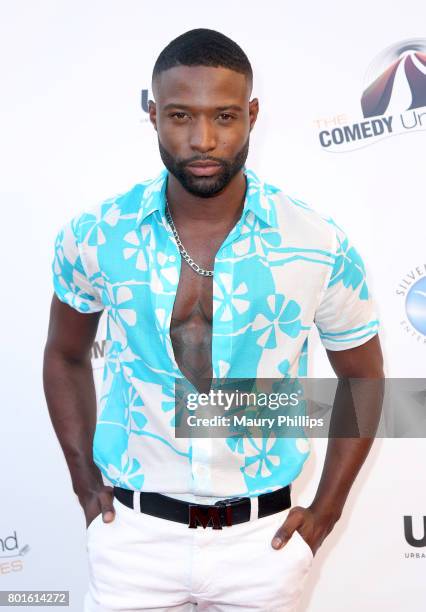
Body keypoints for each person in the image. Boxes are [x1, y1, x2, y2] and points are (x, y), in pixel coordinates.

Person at [43, 28, 384, 612]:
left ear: (252, 114)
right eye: (180, 115)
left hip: (264, 543)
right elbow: (64, 354)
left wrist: (326, 512)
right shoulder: (97, 235)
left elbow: (366, 378)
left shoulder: (317, 242)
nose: (203, 139)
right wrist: (83, 482)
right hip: (133, 538)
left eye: (225, 116)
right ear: (152, 115)